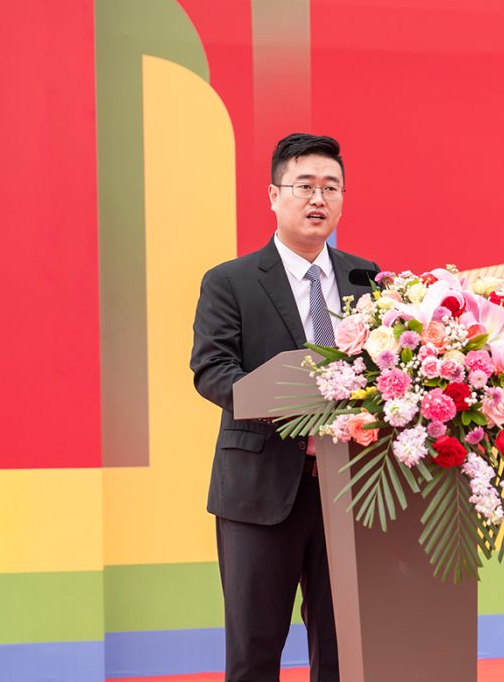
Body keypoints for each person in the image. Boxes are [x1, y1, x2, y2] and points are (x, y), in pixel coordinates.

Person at [190, 133, 379, 682]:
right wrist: (298, 402)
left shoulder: (367, 278)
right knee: (254, 650)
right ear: (274, 195)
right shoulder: (230, 281)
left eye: (331, 187)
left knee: (345, 651)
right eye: (305, 186)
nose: (318, 199)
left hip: (349, 491)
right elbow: (212, 370)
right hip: (259, 490)